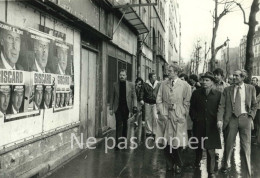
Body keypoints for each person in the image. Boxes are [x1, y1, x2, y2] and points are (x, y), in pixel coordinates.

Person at [218, 69, 257, 177]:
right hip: (232, 119)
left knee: (246, 146)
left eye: (237, 76)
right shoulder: (227, 90)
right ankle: (226, 165)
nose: (234, 77)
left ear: (243, 77)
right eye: (233, 75)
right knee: (229, 144)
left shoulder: (250, 88)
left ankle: (247, 171)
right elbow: (222, 106)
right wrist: (220, 119)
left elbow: (254, 105)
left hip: (245, 119)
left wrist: (251, 117)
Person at [156, 63, 191, 173]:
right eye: (168, 70)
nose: (168, 72)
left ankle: (179, 164)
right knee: (166, 143)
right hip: (166, 115)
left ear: (176, 72)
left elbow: (187, 102)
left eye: (170, 70)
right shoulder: (163, 84)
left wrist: (182, 113)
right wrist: (162, 112)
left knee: (177, 143)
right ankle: (169, 164)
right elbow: (159, 99)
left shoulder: (185, 85)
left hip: (178, 116)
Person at [190, 72, 221, 178]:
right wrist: (195, 118)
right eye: (203, 80)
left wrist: (218, 121)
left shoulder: (218, 94)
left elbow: (220, 109)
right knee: (198, 146)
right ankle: (197, 162)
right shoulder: (196, 93)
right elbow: (192, 108)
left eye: (207, 80)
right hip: (199, 124)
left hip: (212, 126)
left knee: (211, 149)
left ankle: (211, 171)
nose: (204, 82)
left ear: (212, 82)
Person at [109, 69, 137, 148]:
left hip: (126, 108)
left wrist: (134, 106)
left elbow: (134, 97)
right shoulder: (115, 85)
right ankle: (117, 143)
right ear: (119, 75)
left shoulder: (131, 85)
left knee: (125, 124)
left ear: (126, 76)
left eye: (123, 75)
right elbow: (112, 97)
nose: (122, 76)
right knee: (118, 124)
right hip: (117, 107)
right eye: (120, 75)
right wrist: (111, 108)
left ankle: (124, 141)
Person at [141, 72, 160, 136]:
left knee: (155, 117)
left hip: (155, 103)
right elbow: (142, 92)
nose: (155, 77)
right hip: (147, 102)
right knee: (148, 117)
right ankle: (148, 131)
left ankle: (155, 131)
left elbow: (159, 93)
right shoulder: (145, 84)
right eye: (154, 76)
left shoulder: (158, 84)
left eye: (155, 76)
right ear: (150, 77)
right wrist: (141, 99)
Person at [251, 77, 260, 143]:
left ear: (257, 82)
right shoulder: (250, 88)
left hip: (257, 107)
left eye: (254, 80)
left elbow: (257, 99)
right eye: (252, 80)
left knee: (257, 122)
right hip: (254, 106)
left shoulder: (258, 89)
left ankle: (257, 138)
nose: (253, 81)